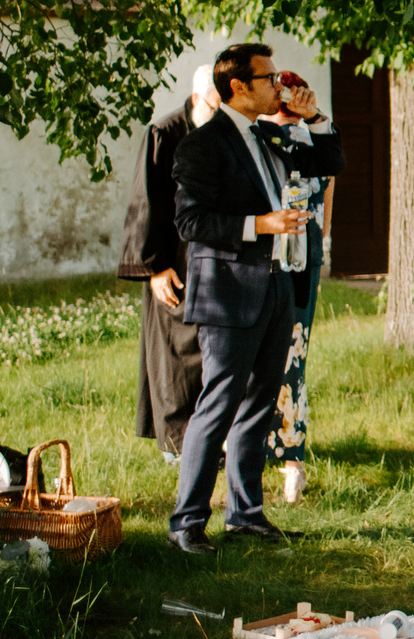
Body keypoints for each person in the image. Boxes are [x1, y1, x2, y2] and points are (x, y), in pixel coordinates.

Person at [168, 42, 345, 554]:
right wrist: (259, 224)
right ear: (238, 86)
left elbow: (329, 160)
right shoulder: (202, 145)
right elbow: (191, 221)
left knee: (260, 404)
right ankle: (186, 523)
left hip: (277, 286)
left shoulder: (272, 134)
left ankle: (244, 513)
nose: (279, 86)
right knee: (217, 404)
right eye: (268, 78)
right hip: (228, 293)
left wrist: (315, 117)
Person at [118, 65, 219, 463]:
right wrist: (154, 267)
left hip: (212, 260)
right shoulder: (165, 133)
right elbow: (145, 202)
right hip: (171, 262)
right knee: (172, 356)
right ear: (197, 99)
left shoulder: (223, 133)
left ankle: (212, 440)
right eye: (215, 104)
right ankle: (178, 446)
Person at [262, 69, 336, 475]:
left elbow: (328, 193)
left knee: (284, 357)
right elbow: (328, 203)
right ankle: (286, 457)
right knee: (291, 356)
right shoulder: (310, 135)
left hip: (290, 256)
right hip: (293, 255)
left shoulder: (288, 136)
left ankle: (283, 455)